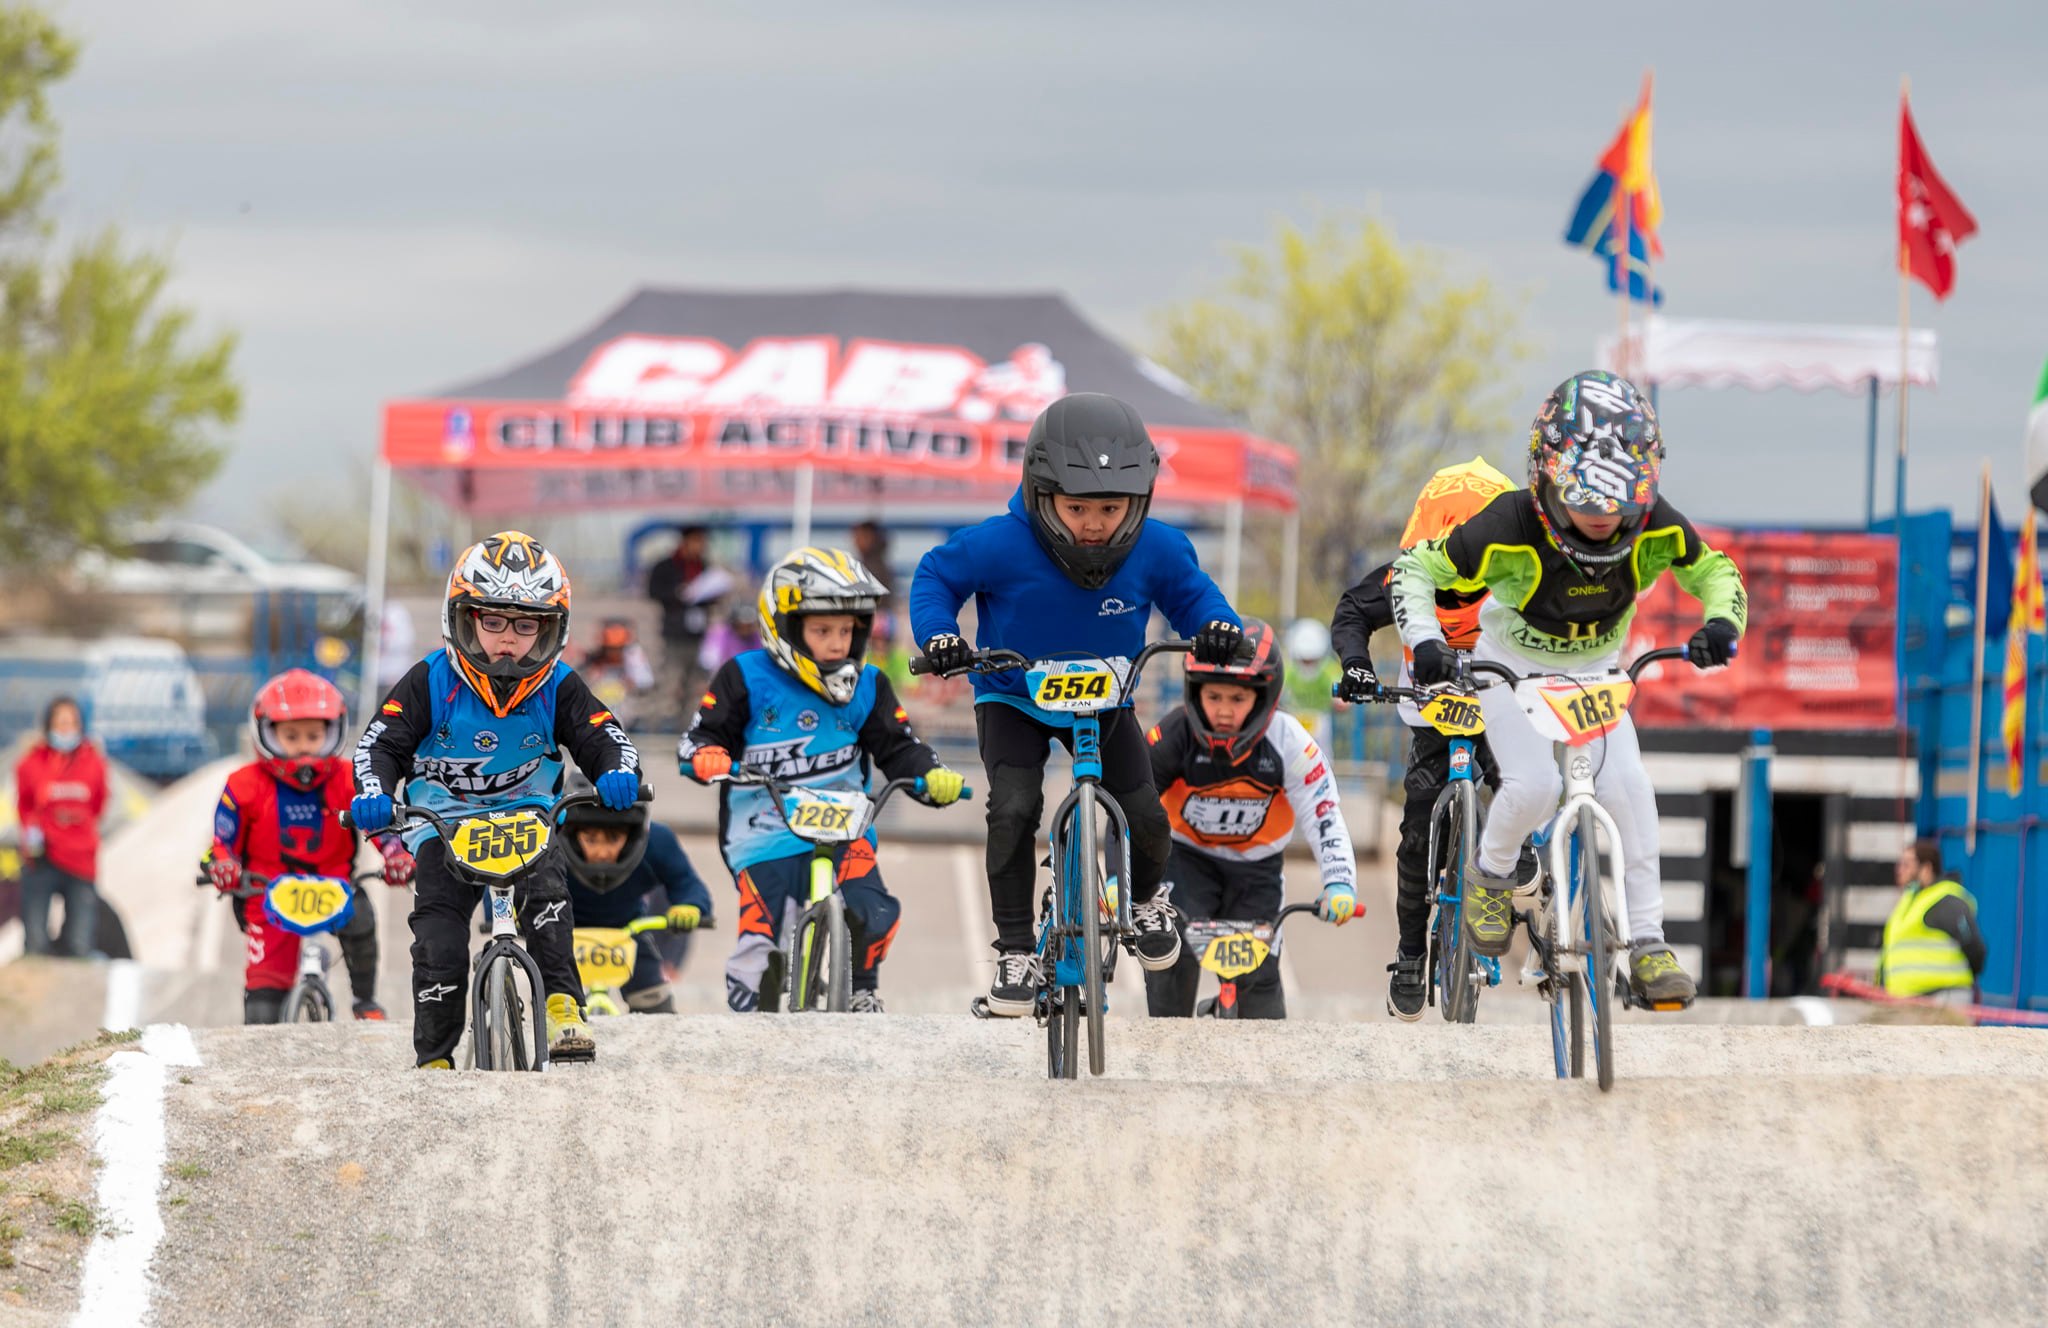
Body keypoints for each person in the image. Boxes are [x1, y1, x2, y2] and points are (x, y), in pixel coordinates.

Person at [1389, 371, 1746, 1010]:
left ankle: (1649, 943)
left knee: (1630, 791)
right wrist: (1423, 640)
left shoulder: (1658, 528)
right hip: (1511, 669)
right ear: (1546, 481)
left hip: (1599, 673)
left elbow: (1717, 571)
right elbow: (1415, 568)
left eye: (1615, 508)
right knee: (1531, 786)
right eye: (1583, 502)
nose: (1599, 522)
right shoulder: (1504, 524)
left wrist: (1723, 624)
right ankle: (1491, 877)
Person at [910, 392, 1246, 1017]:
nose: (1095, 523)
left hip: (1104, 699)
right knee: (1013, 808)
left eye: (1110, 508)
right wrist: (941, 637)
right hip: (1015, 695)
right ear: (1042, 495)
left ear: (1137, 501)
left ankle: (1145, 904)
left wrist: (1220, 628)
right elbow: (935, 577)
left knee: (1145, 813)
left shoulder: (1159, 548)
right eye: (1078, 507)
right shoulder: (999, 543)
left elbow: (1197, 599)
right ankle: (1014, 951)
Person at [352, 531, 644, 1068]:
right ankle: (435, 1059)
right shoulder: (428, 681)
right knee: (438, 942)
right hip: (441, 826)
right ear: (462, 618)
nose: (507, 640)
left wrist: (618, 773)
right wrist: (375, 792)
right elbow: (379, 745)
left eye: (526, 624)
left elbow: (605, 737)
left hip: (526, 816)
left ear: (551, 629)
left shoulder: (559, 685)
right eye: (492, 622)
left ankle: (562, 1006)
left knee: (549, 901)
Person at [679, 547, 965, 1014]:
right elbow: (701, 736)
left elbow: (898, 747)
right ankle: (753, 1014)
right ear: (787, 626)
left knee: (875, 915)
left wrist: (931, 774)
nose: (837, 643)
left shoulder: (869, 684)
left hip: (845, 830)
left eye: (846, 630)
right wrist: (707, 755)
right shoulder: (745, 677)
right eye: (822, 630)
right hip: (764, 834)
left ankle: (863, 988)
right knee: (759, 947)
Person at [1330, 455, 1518, 1020]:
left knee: (1521, 781)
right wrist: (1358, 666)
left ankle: (1524, 860)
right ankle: (1411, 953)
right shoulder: (1404, 571)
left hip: (1500, 703)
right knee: (1414, 839)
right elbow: (1352, 613)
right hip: (1434, 712)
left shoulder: (1520, 570)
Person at [1143, 619, 1358, 1019]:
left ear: (1262, 697)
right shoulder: (1173, 734)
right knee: (1173, 958)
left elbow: (1323, 811)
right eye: (1214, 696)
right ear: (1195, 692)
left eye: (1238, 699)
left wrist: (1339, 881)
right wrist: (1122, 882)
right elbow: (1131, 808)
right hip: (1187, 860)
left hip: (1258, 871)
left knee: (1259, 980)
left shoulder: (1290, 742)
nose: (1224, 711)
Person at [204, 670, 414, 1023]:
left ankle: (366, 1001)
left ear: (333, 733)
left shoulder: (349, 778)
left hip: (336, 887)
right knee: (262, 1006)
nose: (303, 746)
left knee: (362, 918)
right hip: (266, 892)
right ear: (266, 732)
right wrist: (223, 865)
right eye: (290, 736)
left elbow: (379, 826)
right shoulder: (242, 785)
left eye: (314, 735)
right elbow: (221, 843)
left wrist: (396, 854)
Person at [559, 782, 714, 1014]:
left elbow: (687, 883)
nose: (602, 852)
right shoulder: (550, 840)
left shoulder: (657, 842)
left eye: (613, 839)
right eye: (591, 839)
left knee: (657, 1012)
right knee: (553, 1002)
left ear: (632, 835)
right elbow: (509, 874)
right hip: (561, 930)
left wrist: (690, 905)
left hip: (627, 931)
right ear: (571, 832)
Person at [14, 697, 107, 958]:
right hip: (43, 858)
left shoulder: (94, 762)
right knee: (35, 942)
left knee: (80, 943)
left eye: (72, 722)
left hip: (81, 858)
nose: (66, 729)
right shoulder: (31, 762)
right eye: (60, 722)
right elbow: (25, 806)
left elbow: (99, 804)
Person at [1876, 840, 1985, 1009]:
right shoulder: (1909, 900)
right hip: (1907, 1001)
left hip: (1942, 1000)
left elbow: (1975, 949)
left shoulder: (1947, 901)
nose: (1899, 869)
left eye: (1907, 864)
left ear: (1926, 868)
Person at [645, 524, 731, 715]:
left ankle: (688, 725)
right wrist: (679, 593)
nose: (700, 546)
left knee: (695, 684)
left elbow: (715, 595)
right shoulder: (666, 566)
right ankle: (662, 724)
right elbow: (653, 592)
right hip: (674, 633)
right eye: (696, 541)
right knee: (670, 679)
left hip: (700, 634)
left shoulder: (705, 567)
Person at [1278, 618, 1344, 748]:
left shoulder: (1329, 670)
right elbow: (1276, 690)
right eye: (1304, 660)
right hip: (1293, 721)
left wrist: (1341, 700)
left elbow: (1342, 698)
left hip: (1321, 723)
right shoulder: (1288, 670)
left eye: (1312, 660)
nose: (1308, 664)